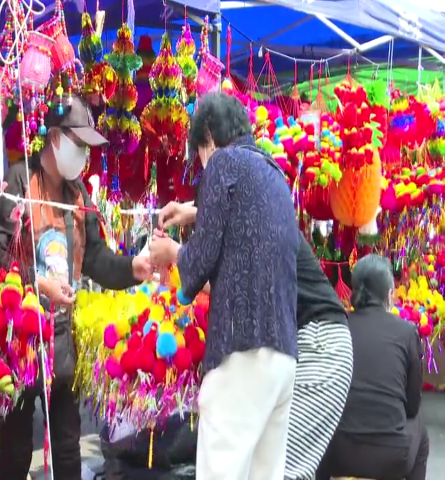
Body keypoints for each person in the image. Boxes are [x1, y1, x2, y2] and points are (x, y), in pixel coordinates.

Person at [0, 94, 153, 480]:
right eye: (78, 145)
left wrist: (134, 268)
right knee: (15, 450)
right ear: (55, 138)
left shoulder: (79, 195)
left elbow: (95, 258)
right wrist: (37, 283)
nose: (83, 156)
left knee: (66, 444)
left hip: (63, 340)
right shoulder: (18, 180)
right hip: (20, 341)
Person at [149, 92, 300, 480]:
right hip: (282, 354)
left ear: (209, 136)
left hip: (242, 348)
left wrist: (171, 253)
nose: (202, 163)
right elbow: (243, 223)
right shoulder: (272, 171)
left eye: (199, 152)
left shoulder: (223, 162)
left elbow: (202, 256)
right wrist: (194, 212)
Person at [316, 254, 429, 480]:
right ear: (389, 294)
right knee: (421, 433)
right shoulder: (406, 332)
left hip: (337, 452)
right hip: (390, 457)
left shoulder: (338, 325)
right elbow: (412, 405)